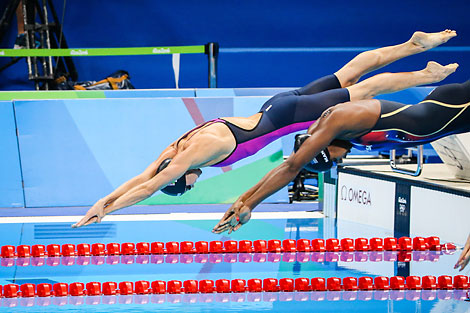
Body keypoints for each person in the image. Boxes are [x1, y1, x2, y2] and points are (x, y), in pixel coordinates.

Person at [73, 30, 457, 228]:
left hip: (290, 117)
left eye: (189, 183)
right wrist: (102, 203)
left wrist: (111, 211)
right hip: (276, 106)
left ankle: (424, 73)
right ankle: (413, 45)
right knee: (350, 72)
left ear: (183, 176)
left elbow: (148, 186)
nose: (194, 181)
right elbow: (143, 175)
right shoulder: (174, 148)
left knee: (364, 89)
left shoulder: (192, 155)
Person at [212, 70, 470, 235]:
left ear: (325, 149)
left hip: (453, 109)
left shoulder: (338, 120)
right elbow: (292, 165)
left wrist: (252, 205)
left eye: (333, 159)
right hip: (445, 114)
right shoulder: (328, 130)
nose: (339, 160)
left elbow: (291, 168)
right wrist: (243, 201)